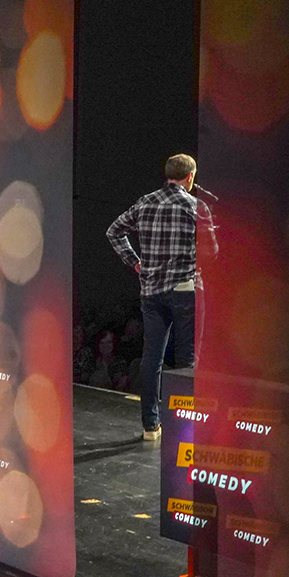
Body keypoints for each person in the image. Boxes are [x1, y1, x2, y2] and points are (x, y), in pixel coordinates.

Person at [106, 154, 218, 440]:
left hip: (151, 292)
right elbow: (212, 253)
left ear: (168, 174)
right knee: (187, 362)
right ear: (190, 177)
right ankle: (183, 429)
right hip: (185, 290)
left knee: (151, 358)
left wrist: (135, 262)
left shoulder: (145, 202)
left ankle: (150, 425)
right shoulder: (196, 206)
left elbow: (114, 231)